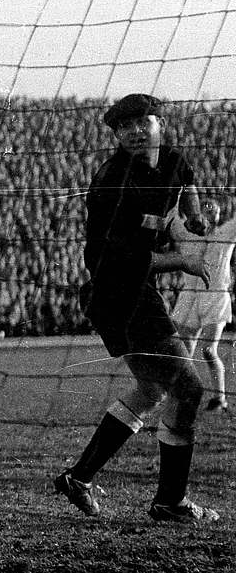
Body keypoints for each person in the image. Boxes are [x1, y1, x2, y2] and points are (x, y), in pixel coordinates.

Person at [54, 92, 219, 524]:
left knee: (151, 391)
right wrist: (182, 259)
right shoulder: (112, 181)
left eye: (141, 121)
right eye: (123, 126)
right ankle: (171, 502)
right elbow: (119, 260)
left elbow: (187, 184)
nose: (132, 131)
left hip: (133, 293)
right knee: (189, 389)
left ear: (159, 123)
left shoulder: (174, 160)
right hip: (119, 292)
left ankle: (79, 477)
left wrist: (197, 216)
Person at [169, 196, 236, 413]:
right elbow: (172, 216)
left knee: (208, 349)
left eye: (212, 212)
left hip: (215, 296)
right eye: (204, 210)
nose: (208, 216)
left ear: (217, 217)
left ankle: (219, 398)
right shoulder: (186, 235)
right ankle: (182, 396)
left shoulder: (225, 234)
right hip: (189, 296)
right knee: (183, 352)